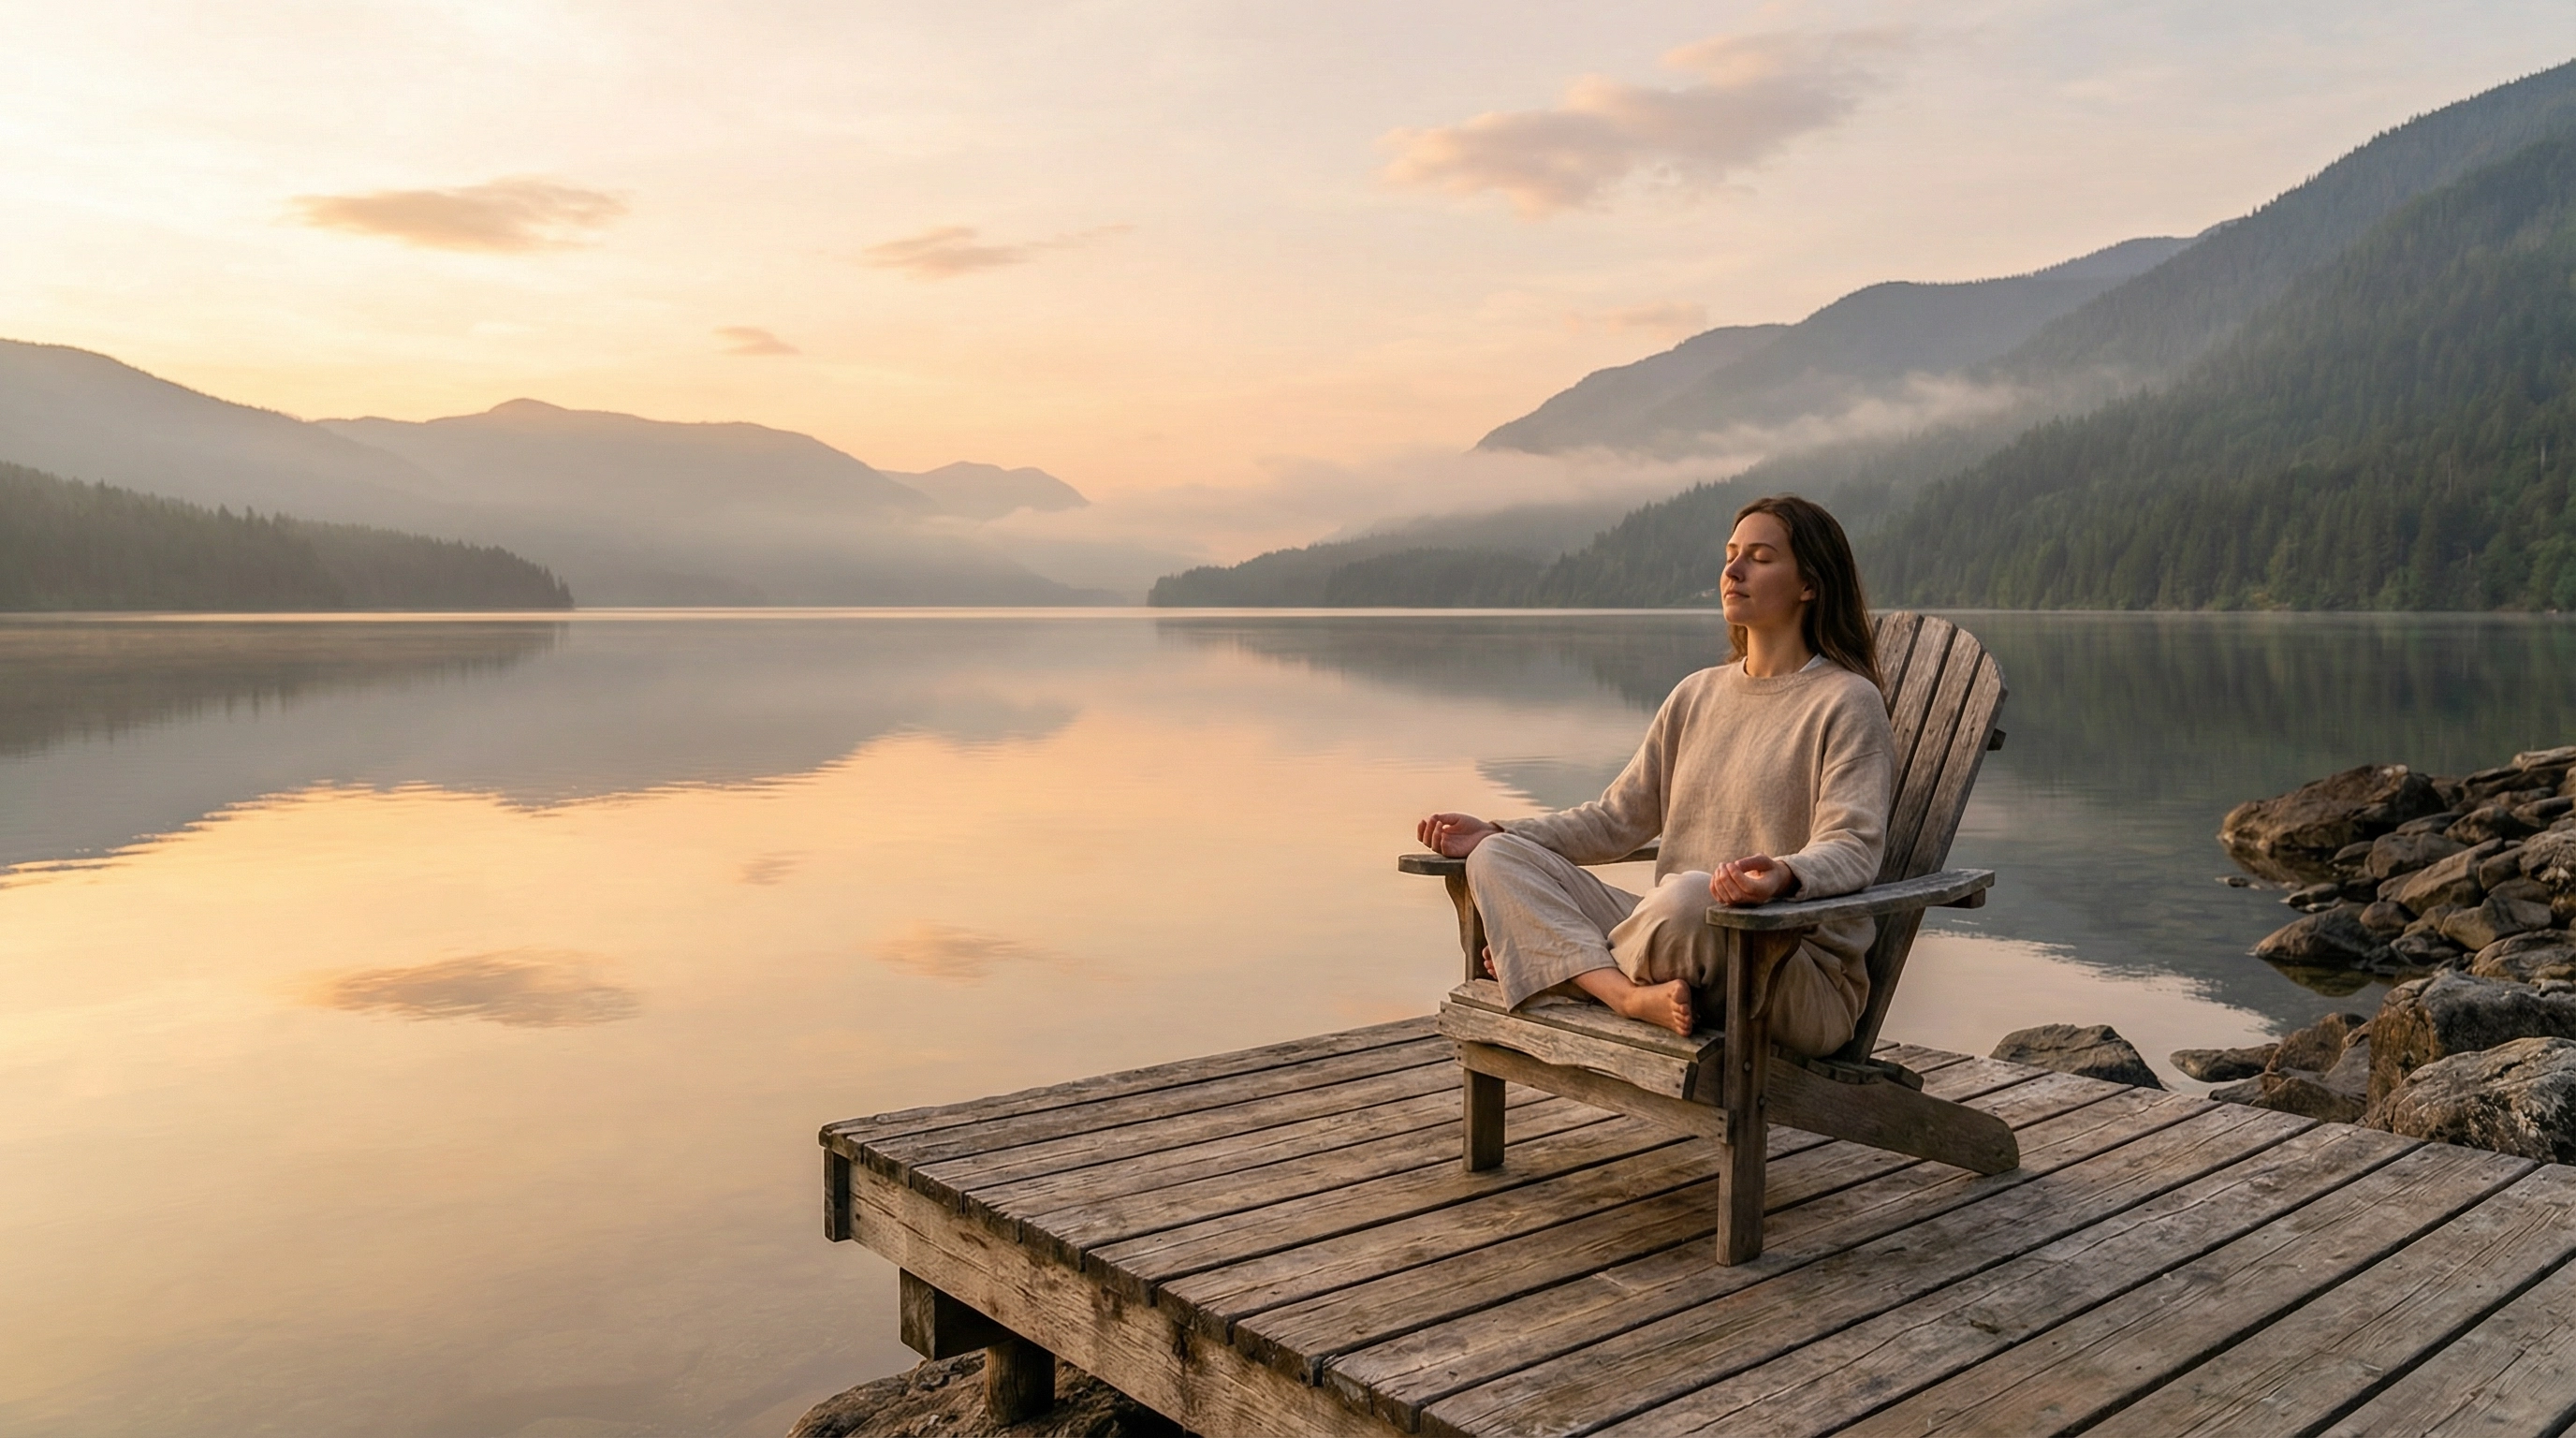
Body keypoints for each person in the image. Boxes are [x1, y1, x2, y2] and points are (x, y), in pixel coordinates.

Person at [1415, 494, 1895, 1055]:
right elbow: (1616, 820)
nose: (1733, 571)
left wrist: (1783, 876)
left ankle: (1574, 975)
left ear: (1809, 584)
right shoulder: (1695, 695)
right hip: (1669, 947)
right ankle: (1620, 994)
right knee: (1496, 860)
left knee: (1691, 895)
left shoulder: (1847, 703)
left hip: (1784, 967)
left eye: (1760, 558)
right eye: (1730, 554)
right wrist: (1500, 832)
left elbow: (1854, 846)